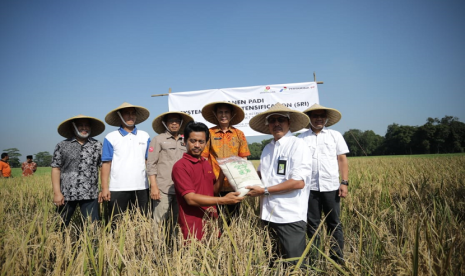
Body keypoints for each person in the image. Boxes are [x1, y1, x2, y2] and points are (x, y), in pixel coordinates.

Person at [247, 103, 312, 265]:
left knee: (294, 265)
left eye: (281, 119)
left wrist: (265, 190)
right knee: (273, 262)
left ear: (289, 123)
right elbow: (261, 175)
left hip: (289, 216)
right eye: (272, 120)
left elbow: (298, 182)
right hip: (268, 215)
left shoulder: (298, 145)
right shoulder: (267, 148)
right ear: (268, 125)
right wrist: (242, 178)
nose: (276, 123)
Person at [172, 121, 244, 241]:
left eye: (201, 142)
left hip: (211, 224)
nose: (197, 145)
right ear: (185, 142)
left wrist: (222, 173)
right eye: (193, 141)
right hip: (192, 228)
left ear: (206, 143)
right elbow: (190, 199)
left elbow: (213, 191)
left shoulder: (206, 164)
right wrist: (224, 200)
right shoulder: (180, 166)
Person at [297, 103, 349, 264]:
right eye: (315, 116)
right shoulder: (301, 138)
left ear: (326, 118)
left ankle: (337, 258)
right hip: (309, 188)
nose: (318, 119)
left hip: (331, 186)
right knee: (312, 225)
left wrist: (344, 182)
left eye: (321, 116)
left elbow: (342, 159)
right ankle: (315, 258)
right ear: (309, 119)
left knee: (334, 223)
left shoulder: (335, 136)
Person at [51, 115, 105, 226]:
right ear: (73, 127)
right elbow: (56, 169)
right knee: (60, 225)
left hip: (90, 193)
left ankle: (91, 243)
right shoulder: (62, 145)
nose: (84, 128)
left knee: (92, 227)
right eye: (80, 125)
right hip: (66, 193)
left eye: (86, 125)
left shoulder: (97, 145)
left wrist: (103, 189)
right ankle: (60, 243)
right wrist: (57, 193)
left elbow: (102, 167)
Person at [100, 102, 151, 220]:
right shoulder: (111, 137)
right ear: (119, 116)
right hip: (118, 188)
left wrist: (153, 184)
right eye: (127, 113)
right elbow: (106, 163)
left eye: (133, 113)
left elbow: (148, 161)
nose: (131, 116)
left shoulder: (145, 135)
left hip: (141, 187)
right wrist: (104, 188)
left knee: (142, 222)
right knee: (115, 223)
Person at [147, 111, 193, 239]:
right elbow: (151, 164)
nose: (174, 123)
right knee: (159, 223)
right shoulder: (158, 140)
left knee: (177, 222)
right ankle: (157, 253)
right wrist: (154, 186)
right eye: (171, 121)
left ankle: (173, 251)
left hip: (181, 189)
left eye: (177, 121)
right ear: (165, 123)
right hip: (163, 188)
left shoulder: (186, 141)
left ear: (181, 123)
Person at [201, 102, 250, 221]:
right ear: (215, 114)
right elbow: (204, 158)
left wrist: (244, 181)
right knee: (215, 218)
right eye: (220, 112)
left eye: (226, 112)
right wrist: (206, 180)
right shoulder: (209, 133)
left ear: (231, 115)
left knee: (233, 219)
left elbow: (243, 158)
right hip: (215, 184)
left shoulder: (239, 134)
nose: (223, 115)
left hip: (234, 184)